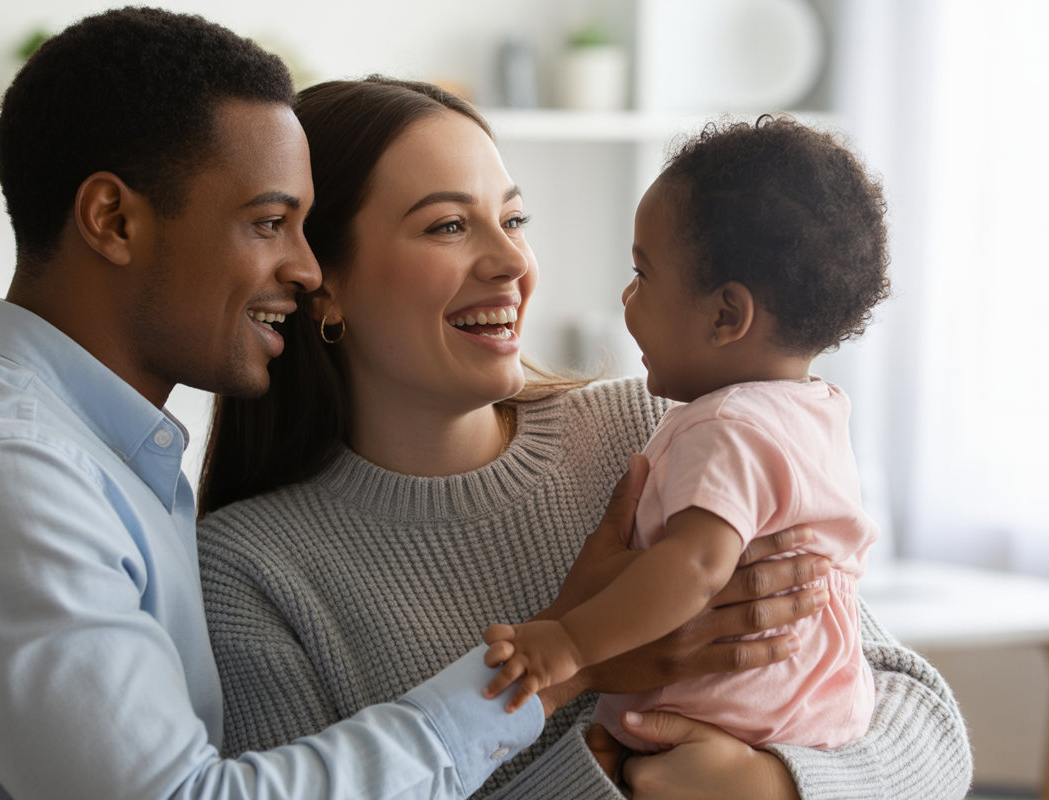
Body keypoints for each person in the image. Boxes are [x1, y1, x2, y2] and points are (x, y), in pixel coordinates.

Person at [0, 10, 555, 799]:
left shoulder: (105, 457)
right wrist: (541, 675)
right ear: (114, 220)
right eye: (269, 223)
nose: (308, 271)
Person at [196, 78, 973, 799]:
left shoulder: (658, 428)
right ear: (322, 279)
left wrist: (772, 785)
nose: (511, 263)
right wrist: (598, 755)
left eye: (513, 219)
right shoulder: (251, 574)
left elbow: (920, 721)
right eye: (448, 226)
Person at [482, 117, 887, 754]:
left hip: (737, 720)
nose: (625, 295)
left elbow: (696, 566)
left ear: (726, 315)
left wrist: (570, 644)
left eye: (643, 275)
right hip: (816, 711)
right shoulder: (816, 409)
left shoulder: (727, 426)